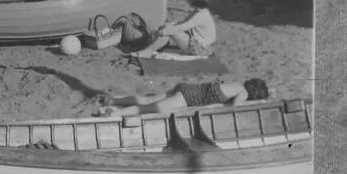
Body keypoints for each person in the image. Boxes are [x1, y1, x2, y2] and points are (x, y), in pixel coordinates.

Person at [95, 78, 271, 117]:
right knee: (151, 109)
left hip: (188, 87)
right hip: (189, 96)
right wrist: (260, 102)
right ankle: (115, 114)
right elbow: (236, 107)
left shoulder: (237, 84)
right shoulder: (243, 93)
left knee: (148, 100)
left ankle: (115, 100)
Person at [131, 0, 217, 58]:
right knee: (168, 28)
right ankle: (155, 46)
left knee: (169, 31)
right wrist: (163, 27)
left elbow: (182, 27)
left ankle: (147, 52)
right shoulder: (199, 12)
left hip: (200, 48)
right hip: (198, 44)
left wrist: (162, 31)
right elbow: (181, 23)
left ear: (196, 0)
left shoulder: (201, 15)